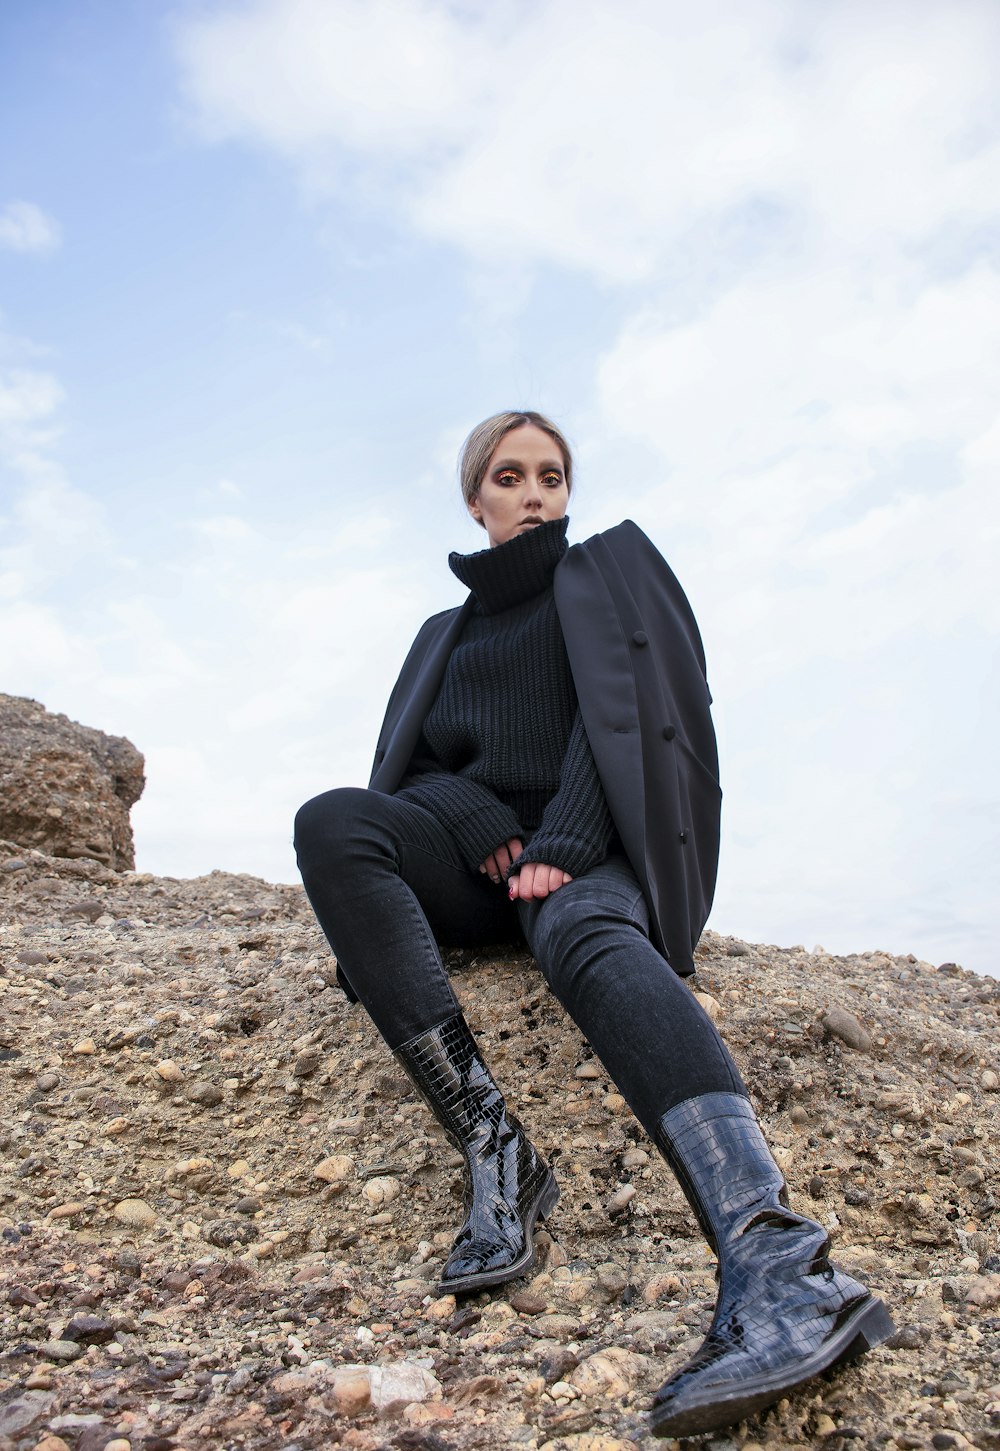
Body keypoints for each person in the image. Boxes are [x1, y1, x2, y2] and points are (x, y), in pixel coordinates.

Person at [294, 410, 893, 1438]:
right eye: (511, 475)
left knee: (583, 937)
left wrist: (564, 841)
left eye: (553, 475)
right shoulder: (441, 635)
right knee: (334, 819)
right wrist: (478, 817)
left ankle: (778, 1259)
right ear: (474, 498)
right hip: (480, 865)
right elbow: (417, 769)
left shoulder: (605, 582)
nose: (535, 492)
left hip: (590, 849)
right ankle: (497, 1149)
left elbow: (631, 716)